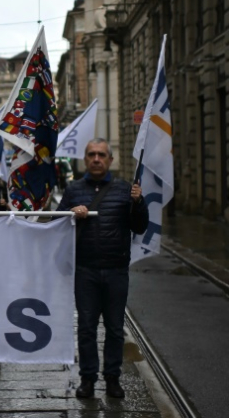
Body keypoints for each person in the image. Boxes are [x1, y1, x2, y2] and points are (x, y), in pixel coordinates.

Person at [57, 138, 148, 400]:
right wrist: (71, 214)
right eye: (91, 155)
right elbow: (58, 226)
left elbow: (139, 227)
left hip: (116, 270)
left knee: (115, 328)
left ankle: (112, 379)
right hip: (85, 270)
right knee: (86, 327)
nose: (96, 159)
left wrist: (138, 203)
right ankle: (87, 379)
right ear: (85, 160)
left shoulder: (125, 189)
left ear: (110, 160)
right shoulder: (73, 190)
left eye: (101, 155)